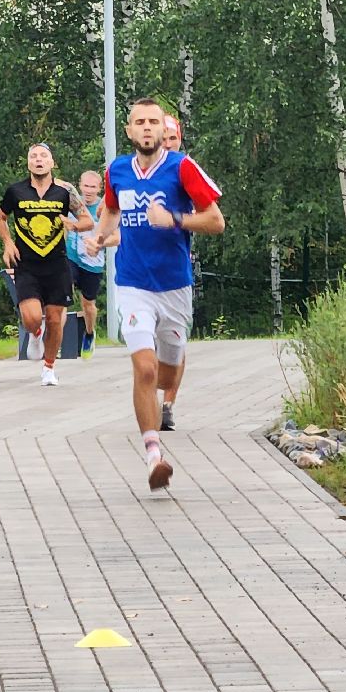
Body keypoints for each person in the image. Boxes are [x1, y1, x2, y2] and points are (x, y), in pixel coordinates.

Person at [87, 99, 224, 490]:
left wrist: (176, 219)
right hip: (132, 284)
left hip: (174, 287)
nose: (146, 128)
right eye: (139, 122)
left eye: (153, 122)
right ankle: (153, 457)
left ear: (164, 131)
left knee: (166, 374)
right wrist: (99, 237)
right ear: (129, 131)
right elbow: (112, 210)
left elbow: (216, 220)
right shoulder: (116, 171)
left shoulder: (181, 168)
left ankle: (169, 389)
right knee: (144, 370)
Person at [0, 143, 93, 386]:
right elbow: (0, 217)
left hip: (57, 263)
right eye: (33, 156)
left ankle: (49, 368)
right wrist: (8, 243)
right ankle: (35, 334)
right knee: (31, 318)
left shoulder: (64, 191)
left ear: (52, 162)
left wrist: (73, 225)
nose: (38, 160)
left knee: (54, 317)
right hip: (26, 263)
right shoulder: (16, 191)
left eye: (43, 156)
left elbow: (87, 221)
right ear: (28, 162)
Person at [158, 115, 187, 429]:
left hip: (175, 268)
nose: (167, 146)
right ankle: (153, 396)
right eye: (163, 140)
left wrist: (177, 218)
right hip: (141, 270)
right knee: (149, 342)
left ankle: (168, 404)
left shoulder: (187, 171)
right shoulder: (138, 171)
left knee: (175, 342)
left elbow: (211, 216)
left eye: (173, 140)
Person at [65, 170, 105, 355]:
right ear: (79, 185)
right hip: (71, 255)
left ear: (99, 188)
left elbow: (112, 233)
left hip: (92, 262)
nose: (88, 191)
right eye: (85, 186)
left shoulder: (102, 208)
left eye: (93, 187)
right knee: (62, 290)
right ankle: (57, 336)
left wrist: (98, 243)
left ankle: (89, 333)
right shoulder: (73, 203)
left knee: (87, 304)